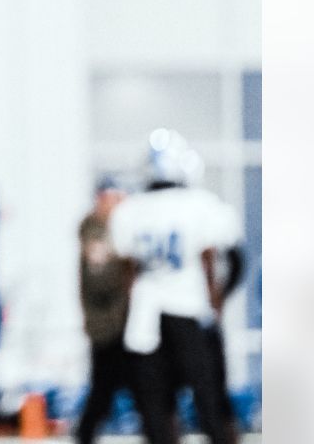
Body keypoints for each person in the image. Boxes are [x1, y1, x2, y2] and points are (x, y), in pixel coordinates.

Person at [109, 129, 241, 444]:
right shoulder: (201, 205)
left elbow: (127, 271)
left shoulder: (130, 211)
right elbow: (229, 260)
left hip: (146, 319)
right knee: (210, 403)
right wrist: (218, 301)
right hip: (190, 313)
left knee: (156, 409)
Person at [74, 176, 132, 444]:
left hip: (128, 325)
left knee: (148, 394)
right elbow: (102, 279)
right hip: (108, 327)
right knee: (102, 395)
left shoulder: (121, 230)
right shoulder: (96, 232)